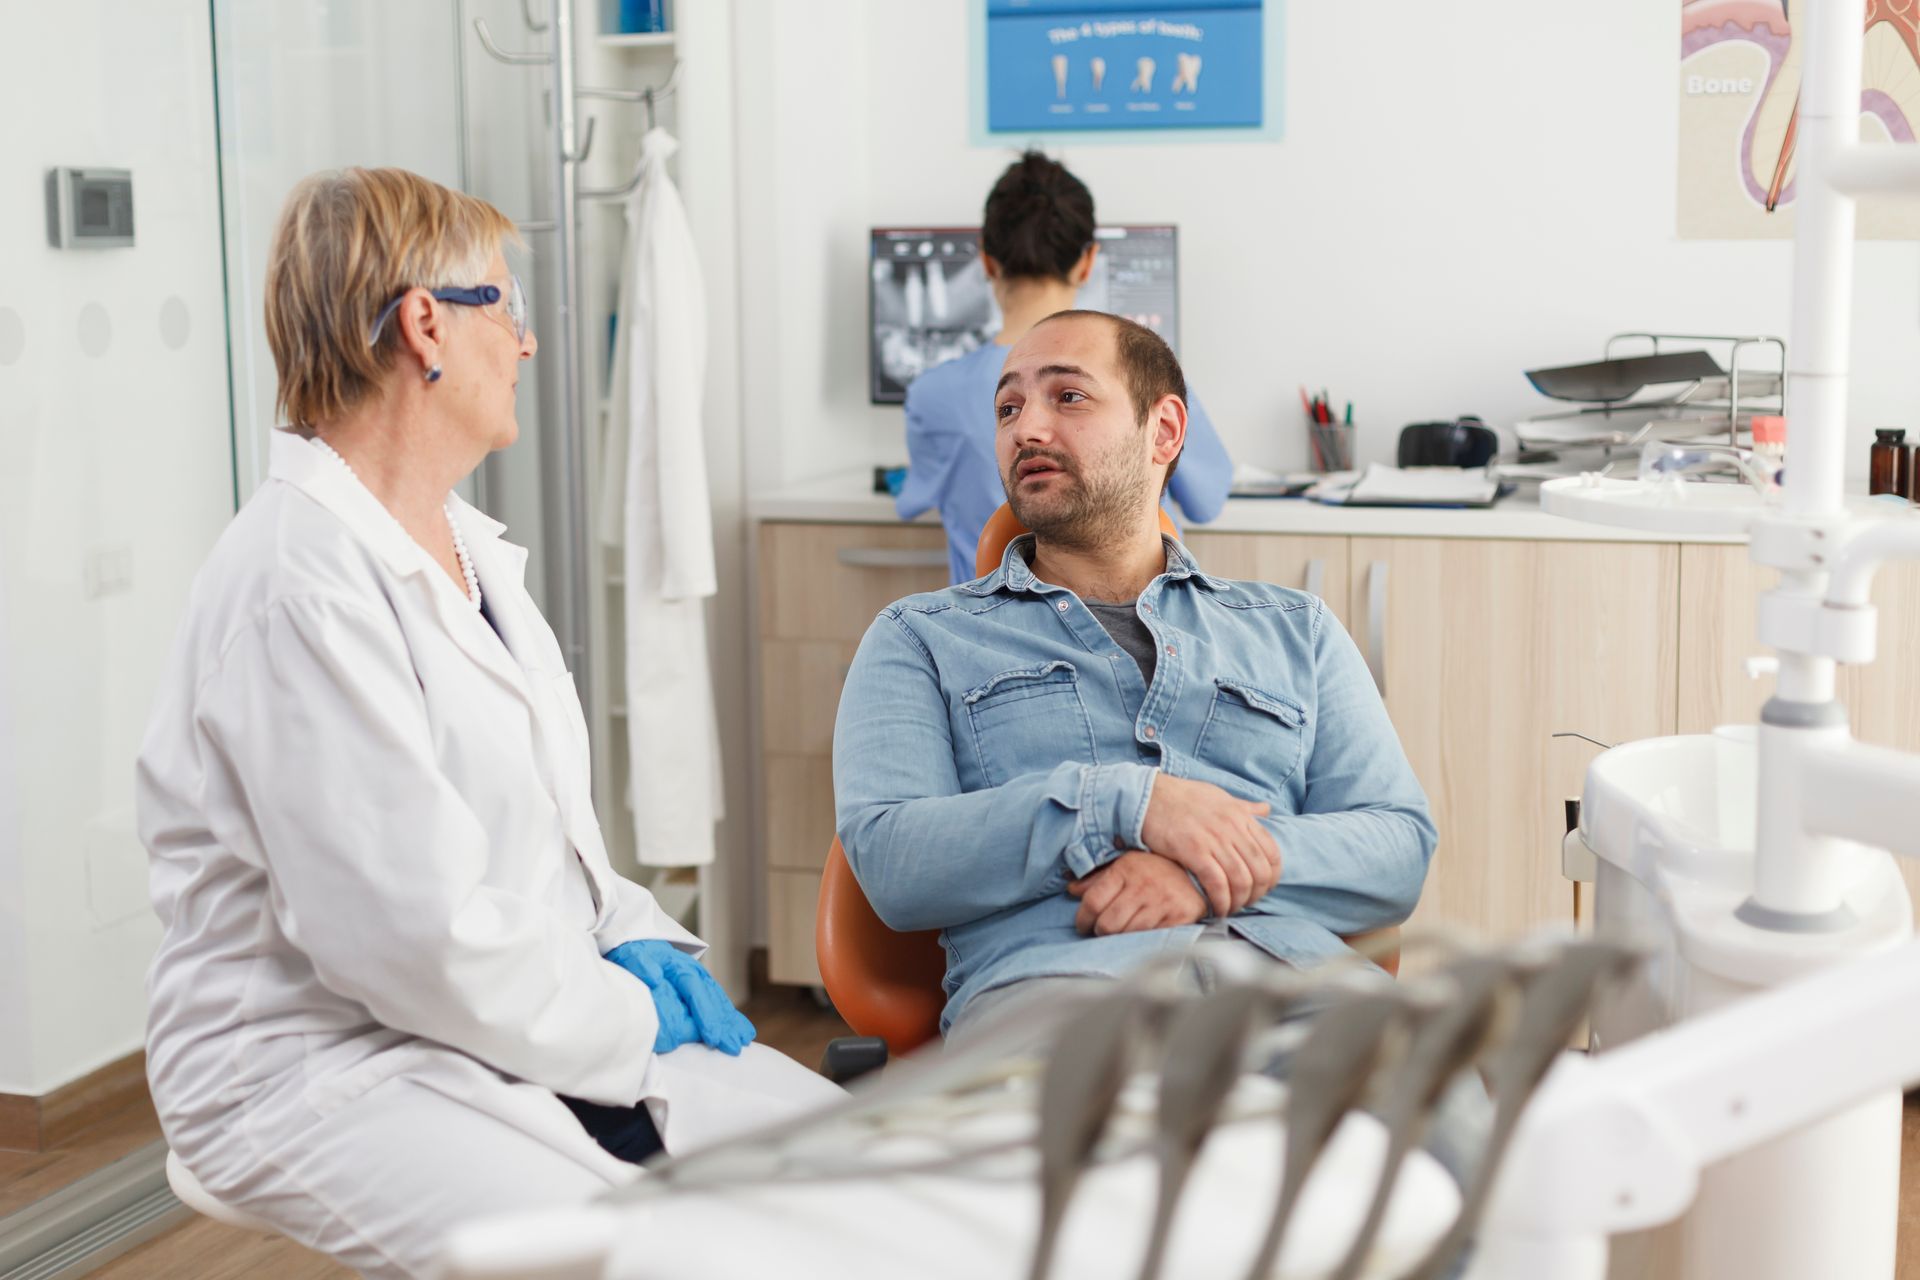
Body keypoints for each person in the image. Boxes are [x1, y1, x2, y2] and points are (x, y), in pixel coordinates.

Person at [135, 168, 838, 1280]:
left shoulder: (459, 545)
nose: (528, 342)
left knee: (852, 1174)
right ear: (425, 324)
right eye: (506, 306)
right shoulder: (298, 586)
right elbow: (414, 940)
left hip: (499, 1006)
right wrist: (620, 1013)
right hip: (316, 1062)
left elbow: (550, 827)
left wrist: (627, 922)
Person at [895, 151, 1233, 584]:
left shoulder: (931, 394)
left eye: (1070, 398)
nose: (1029, 431)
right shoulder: (1144, 379)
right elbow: (1208, 501)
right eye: (1009, 408)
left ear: (987, 261)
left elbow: (910, 500)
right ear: (1088, 261)